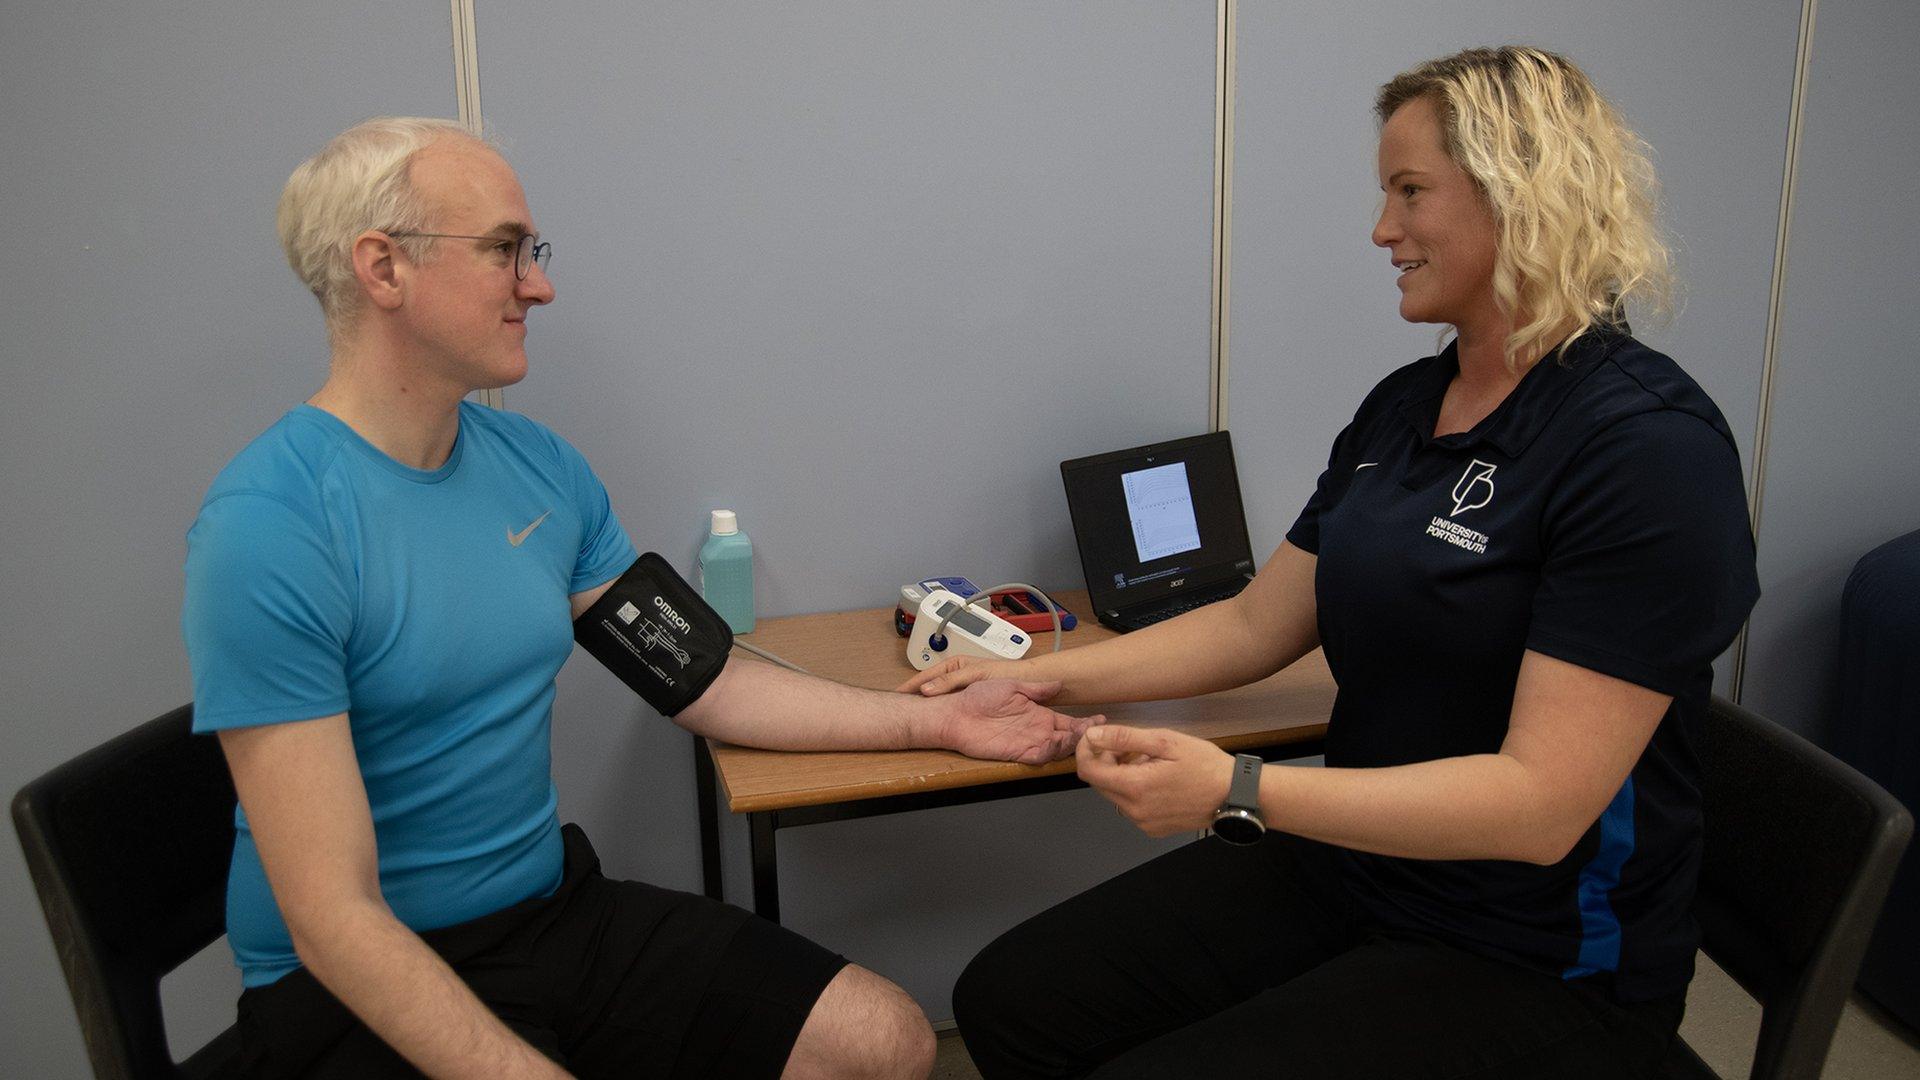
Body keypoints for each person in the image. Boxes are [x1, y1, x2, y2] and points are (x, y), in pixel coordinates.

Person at [181, 116, 1100, 1080]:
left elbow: (702, 680)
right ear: (382, 268)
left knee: (885, 1043)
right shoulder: (271, 526)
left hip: (547, 919)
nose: (537, 284)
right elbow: (333, 921)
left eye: (530, 252)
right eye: (503, 251)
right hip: (344, 985)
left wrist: (937, 725)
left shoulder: (538, 469)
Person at [902, 47, 1759, 1078]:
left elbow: (1540, 807)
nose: (1381, 230)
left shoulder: (1647, 450)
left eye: (1409, 193)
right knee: (1013, 1001)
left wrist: (1244, 789)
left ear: (1520, 191)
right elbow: (1255, 626)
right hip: (1371, 870)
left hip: (1541, 957)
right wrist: (1030, 674)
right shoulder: (1405, 408)